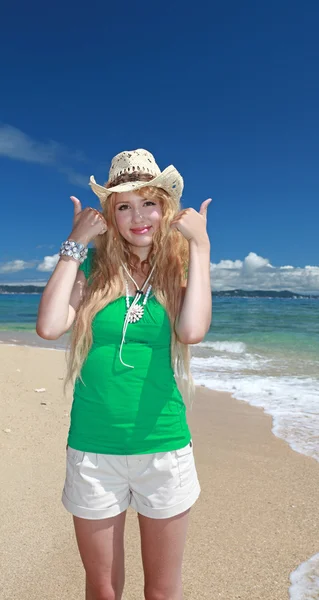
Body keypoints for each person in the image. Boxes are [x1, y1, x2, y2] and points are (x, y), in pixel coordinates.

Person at [36, 148, 212, 600]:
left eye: (148, 203)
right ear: (110, 216)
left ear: (164, 208)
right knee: (103, 589)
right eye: (123, 206)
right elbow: (51, 326)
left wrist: (201, 246)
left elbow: (191, 331)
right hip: (95, 453)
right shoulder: (91, 270)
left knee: (162, 591)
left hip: (164, 450)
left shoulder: (177, 269)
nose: (138, 217)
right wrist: (75, 244)